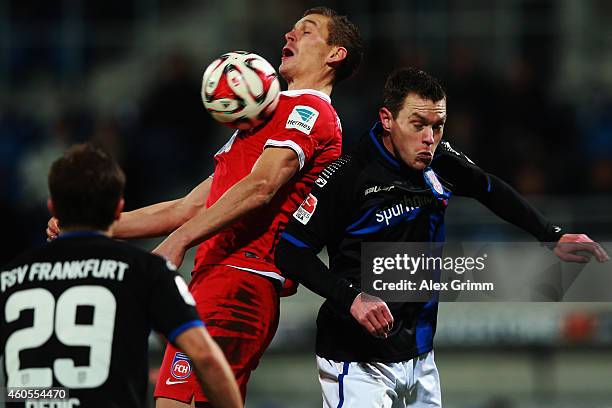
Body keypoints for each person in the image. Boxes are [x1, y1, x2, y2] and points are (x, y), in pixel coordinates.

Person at [45, 7, 363, 407]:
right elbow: (188, 206)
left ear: (335, 54)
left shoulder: (309, 111)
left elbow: (261, 188)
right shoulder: (264, 120)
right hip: (219, 279)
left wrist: (178, 243)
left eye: (307, 30)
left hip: (242, 279)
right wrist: (90, 226)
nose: (290, 34)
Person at [274, 67, 609, 407]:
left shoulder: (440, 163)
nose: (429, 138)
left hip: (421, 358)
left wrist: (551, 235)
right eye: (418, 125)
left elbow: (489, 188)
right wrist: (352, 298)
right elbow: (290, 250)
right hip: (357, 359)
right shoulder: (350, 176)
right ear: (387, 119)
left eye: (437, 126)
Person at [1, 144, 242, 408]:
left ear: (52, 206)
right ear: (119, 208)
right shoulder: (146, 270)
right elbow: (204, 356)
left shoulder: (11, 276)